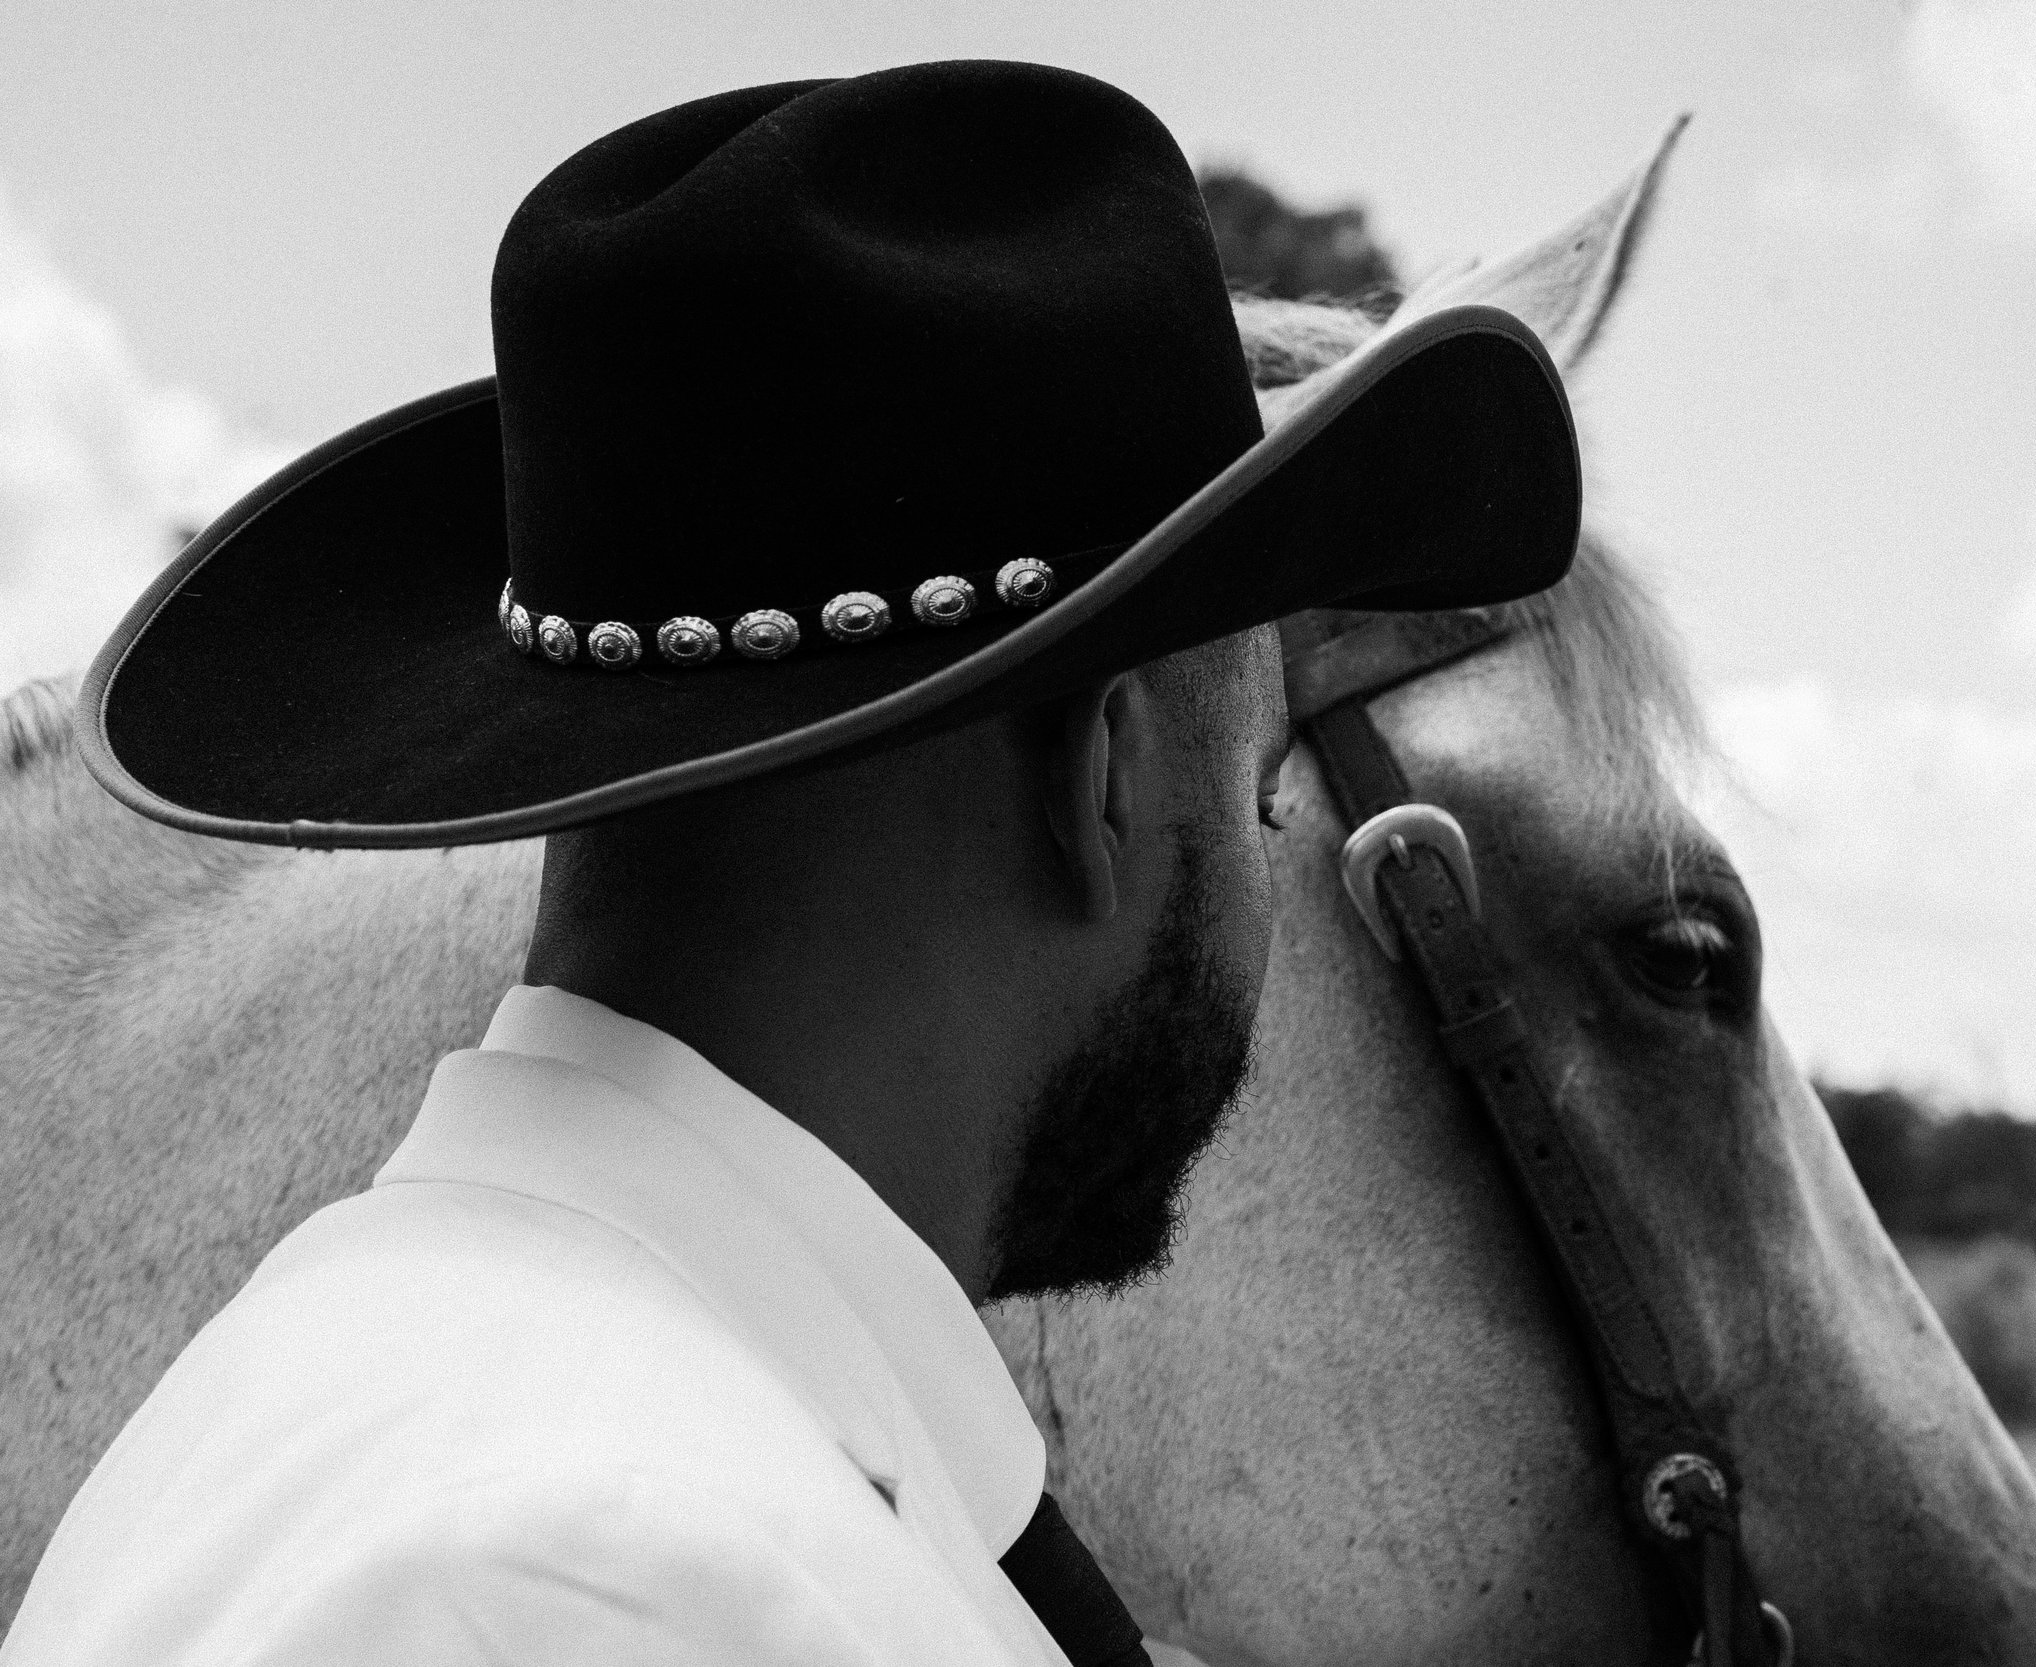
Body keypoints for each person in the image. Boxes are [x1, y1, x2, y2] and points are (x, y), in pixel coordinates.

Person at [11, 61, 1577, 1666]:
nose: (1252, 906)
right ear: (1106, 777)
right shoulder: (639, 1582)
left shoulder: (336, 1380)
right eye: (1249, 798)